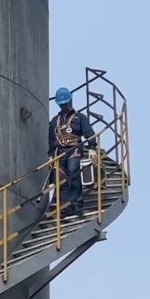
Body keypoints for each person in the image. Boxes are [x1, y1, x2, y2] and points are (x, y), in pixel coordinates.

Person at [48, 87, 97, 217]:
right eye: (62, 104)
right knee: (60, 179)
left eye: (67, 103)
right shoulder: (55, 121)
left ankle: (76, 203)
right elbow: (51, 140)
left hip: (73, 149)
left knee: (73, 171)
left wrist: (92, 148)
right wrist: (50, 155)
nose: (65, 106)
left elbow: (89, 134)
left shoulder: (79, 118)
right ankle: (64, 207)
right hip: (59, 152)